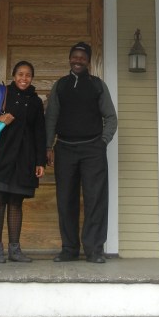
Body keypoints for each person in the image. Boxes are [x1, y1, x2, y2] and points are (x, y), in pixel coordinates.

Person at [45, 42, 118, 264]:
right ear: (69, 59)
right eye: (74, 57)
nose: (78, 60)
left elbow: (111, 117)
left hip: (92, 150)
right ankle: (69, 249)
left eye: (82, 58)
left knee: (95, 199)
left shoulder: (97, 85)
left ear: (88, 61)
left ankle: (94, 249)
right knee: (66, 199)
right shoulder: (60, 85)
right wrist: (48, 146)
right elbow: (51, 118)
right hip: (65, 148)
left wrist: (103, 141)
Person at [0, 60, 47, 263]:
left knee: (16, 202)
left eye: (28, 75)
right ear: (14, 76)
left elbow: (39, 132)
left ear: (32, 78)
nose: (24, 78)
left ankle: (15, 250)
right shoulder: (2, 92)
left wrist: (40, 161)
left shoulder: (35, 102)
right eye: (20, 74)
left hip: (24, 158)